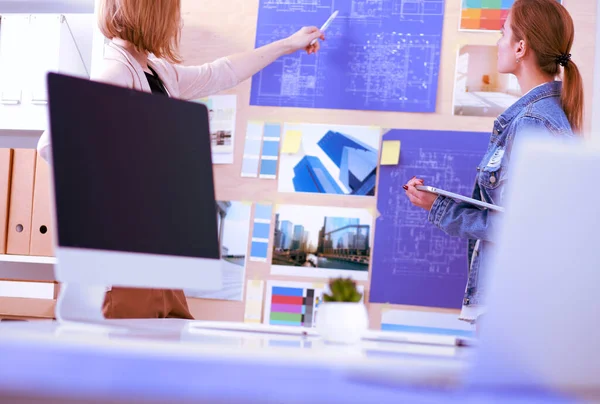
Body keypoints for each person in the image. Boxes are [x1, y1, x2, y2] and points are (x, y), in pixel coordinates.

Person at [37, 0, 325, 320]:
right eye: (174, 11)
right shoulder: (116, 71)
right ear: (154, 14)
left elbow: (222, 72)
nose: (178, 20)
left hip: (159, 261)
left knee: (167, 351)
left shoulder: (157, 71)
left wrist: (288, 44)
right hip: (127, 269)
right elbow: (52, 144)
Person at [404, 0, 583, 325]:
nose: (497, 43)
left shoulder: (532, 123)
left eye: (503, 34)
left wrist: (440, 209)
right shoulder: (542, 117)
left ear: (520, 47)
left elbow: (528, 228)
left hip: (512, 307)